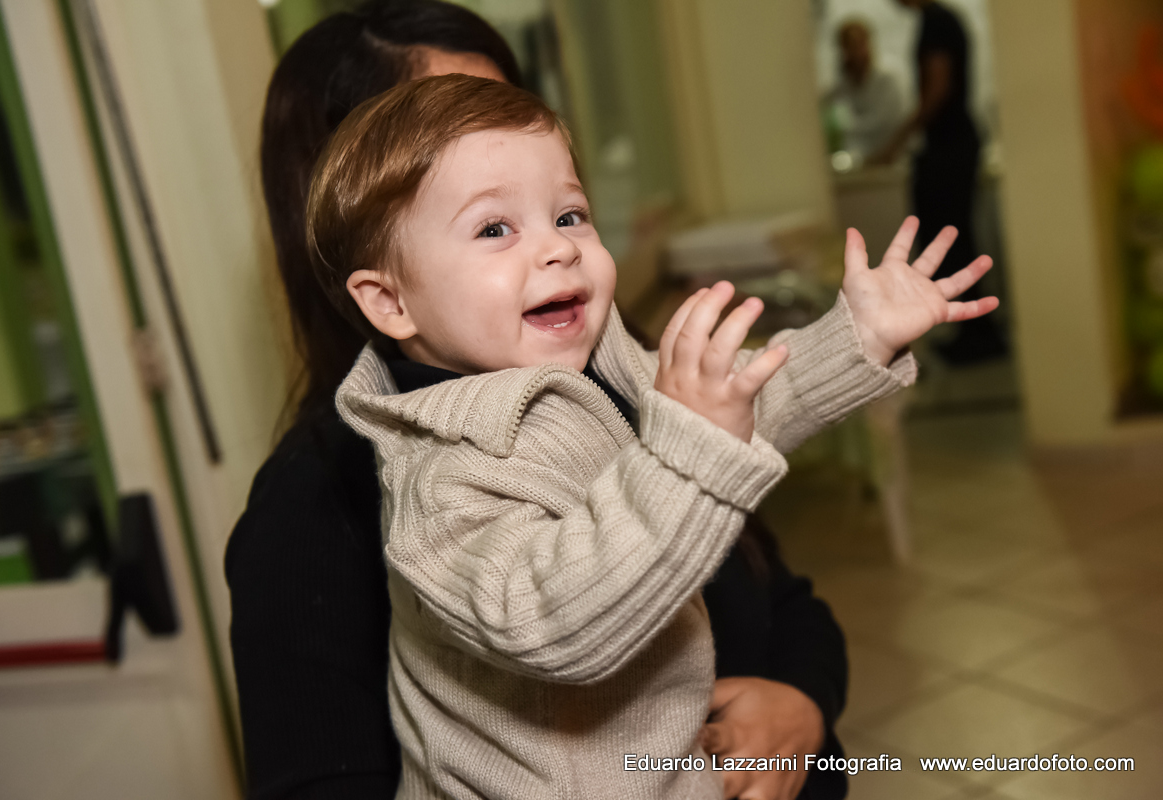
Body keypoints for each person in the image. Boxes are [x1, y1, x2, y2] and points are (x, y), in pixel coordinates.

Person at [224, 2, 969, 798]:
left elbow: (740, 405)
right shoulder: (434, 479)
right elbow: (557, 618)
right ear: (388, 297)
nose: (555, 245)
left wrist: (857, 337)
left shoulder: (598, 367)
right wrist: (690, 447)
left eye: (568, 213)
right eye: (492, 227)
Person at [873, 0, 1004, 363]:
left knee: (949, 238)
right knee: (953, 236)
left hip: (950, 144)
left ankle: (976, 330)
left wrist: (898, 140)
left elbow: (938, 87)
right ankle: (972, 328)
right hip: (954, 142)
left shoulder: (937, 23)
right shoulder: (942, 20)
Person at [826, 19, 903, 162]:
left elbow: (886, 123)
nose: (856, 52)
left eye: (859, 45)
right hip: (857, 158)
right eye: (849, 46)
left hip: (891, 158)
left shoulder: (888, 78)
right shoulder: (841, 85)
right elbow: (842, 124)